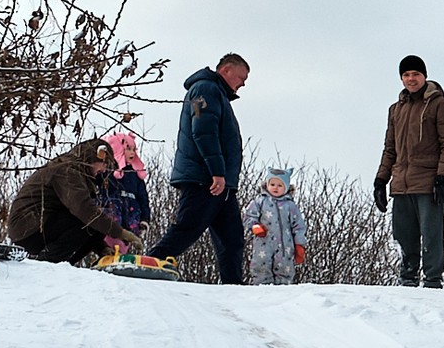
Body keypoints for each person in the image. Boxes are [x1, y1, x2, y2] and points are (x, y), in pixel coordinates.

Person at [147, 53, 249, 284]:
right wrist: (217, 172)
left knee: (232, 238)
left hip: (221, 183)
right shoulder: (204, 90)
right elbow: (202, 130)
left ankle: (234, 286)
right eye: (241, 77)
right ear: (226, 70)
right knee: (188, 228)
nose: (243, 84)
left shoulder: (218, 95)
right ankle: (150, 263)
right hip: (205, 178)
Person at [372, 54, 444, 289]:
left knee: (431, 237)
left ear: (424, 76)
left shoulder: (441, 105)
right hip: (401, 184)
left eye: (416, 74)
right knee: (404, 239)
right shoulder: (395, 110)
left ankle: (432, 282)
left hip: (428, 182)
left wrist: (443, 178)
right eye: (406, 75)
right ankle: (407, 281)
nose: (411, 79)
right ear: (402, 78)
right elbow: (390, 148)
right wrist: (381, 180)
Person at [5, 137, 142, 263]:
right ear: (96, 156)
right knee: (91, 220)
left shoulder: (75, 171)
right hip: (28, 226)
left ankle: (63, 265)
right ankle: (48, 263)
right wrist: (121, 233)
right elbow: (84, 210)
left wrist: (102, 248)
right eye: (104, 163)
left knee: (96, 222)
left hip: (35, 225)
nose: (104, 169)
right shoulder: (68, 170)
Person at [242, 166, 308, 285]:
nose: (275, 188)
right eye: (272, 184)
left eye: (279, 185)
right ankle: (261, 287)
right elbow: (249, 217)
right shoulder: (259, 202)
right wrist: (255, 226)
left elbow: (298, 226)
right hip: (263, 243)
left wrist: (300, 244)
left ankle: (283, 289)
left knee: (285, 267)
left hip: (285, 246)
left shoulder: (290, 206)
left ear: (286, 187)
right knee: (261, 265)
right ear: (267, 185)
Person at [96, 131, 152, 252]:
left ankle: (120, 259)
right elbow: (96, 185)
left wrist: (145, 219)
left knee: (125, 241)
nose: (132, 153)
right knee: (109, 237)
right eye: (128, 149)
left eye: (134, 149)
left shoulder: (135, 174)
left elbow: (143, 198)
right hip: (111, 212)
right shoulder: (107, 171)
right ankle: (105, 254)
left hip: (131, 215)